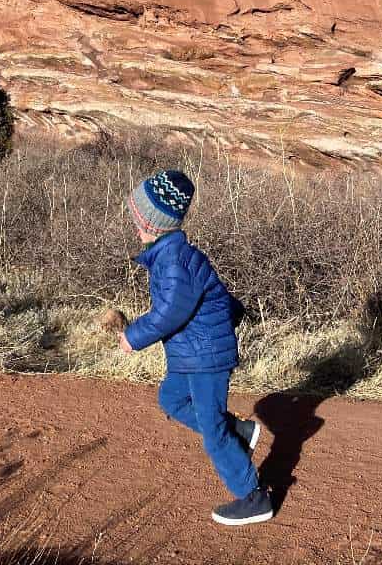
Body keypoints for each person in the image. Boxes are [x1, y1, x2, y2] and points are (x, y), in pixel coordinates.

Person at [118, 169, 274, 527]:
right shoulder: (171, 255)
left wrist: (133, 337)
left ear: (154, 224)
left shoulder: (174, 261)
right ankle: (241, 433)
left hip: (205, 356)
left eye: (138, 218)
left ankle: (253, 496)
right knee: (171, 400)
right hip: (191, 352)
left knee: (212, 429)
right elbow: (217, 298)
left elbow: (170, 311)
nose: (134, 225)